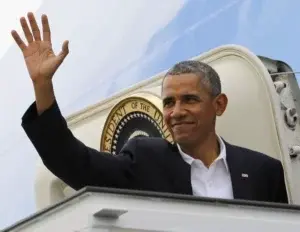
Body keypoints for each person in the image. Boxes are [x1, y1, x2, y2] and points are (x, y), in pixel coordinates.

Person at [12, 12, 288, 203]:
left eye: (189, 99)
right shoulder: (146, 161)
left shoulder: (264, 171)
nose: (176, 112)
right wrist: (42, 85)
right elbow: (74, 162)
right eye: (169, 102)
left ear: (219, 104)